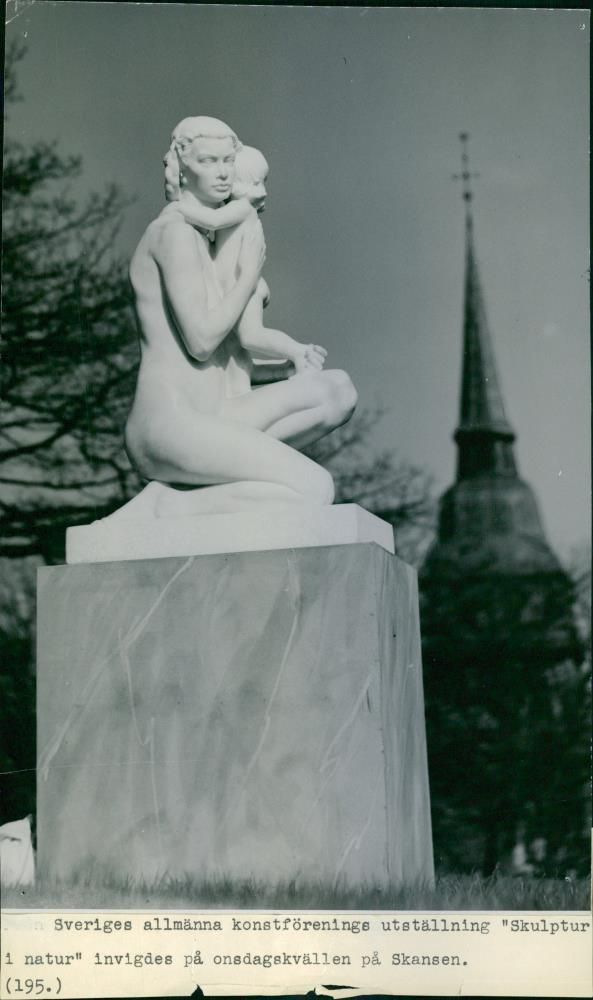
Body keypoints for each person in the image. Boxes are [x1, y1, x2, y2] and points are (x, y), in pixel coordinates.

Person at [115, 116, 357, 521]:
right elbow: (201, 341)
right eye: (209, 161)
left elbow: (227, 357)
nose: (224, 172)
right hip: (169, 424)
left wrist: (286, 367)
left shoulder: (211, 242)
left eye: (228, 160)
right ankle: (167, 503)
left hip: (215, 414)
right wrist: (248, 278)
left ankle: (219, 476)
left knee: (338, 390)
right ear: (181, 166)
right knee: (315, 488)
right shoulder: (172, 233)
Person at [171, 143, 327, 377]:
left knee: (251, 335)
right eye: (254, 183)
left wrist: (176, 208)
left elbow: (212, 221)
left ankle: (299, 351)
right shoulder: (239, 212)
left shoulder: (242, 209)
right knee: (242, 341)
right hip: (241, 283)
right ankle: (284, 366)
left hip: (248, 285)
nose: (261, 191)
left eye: (259, 183)